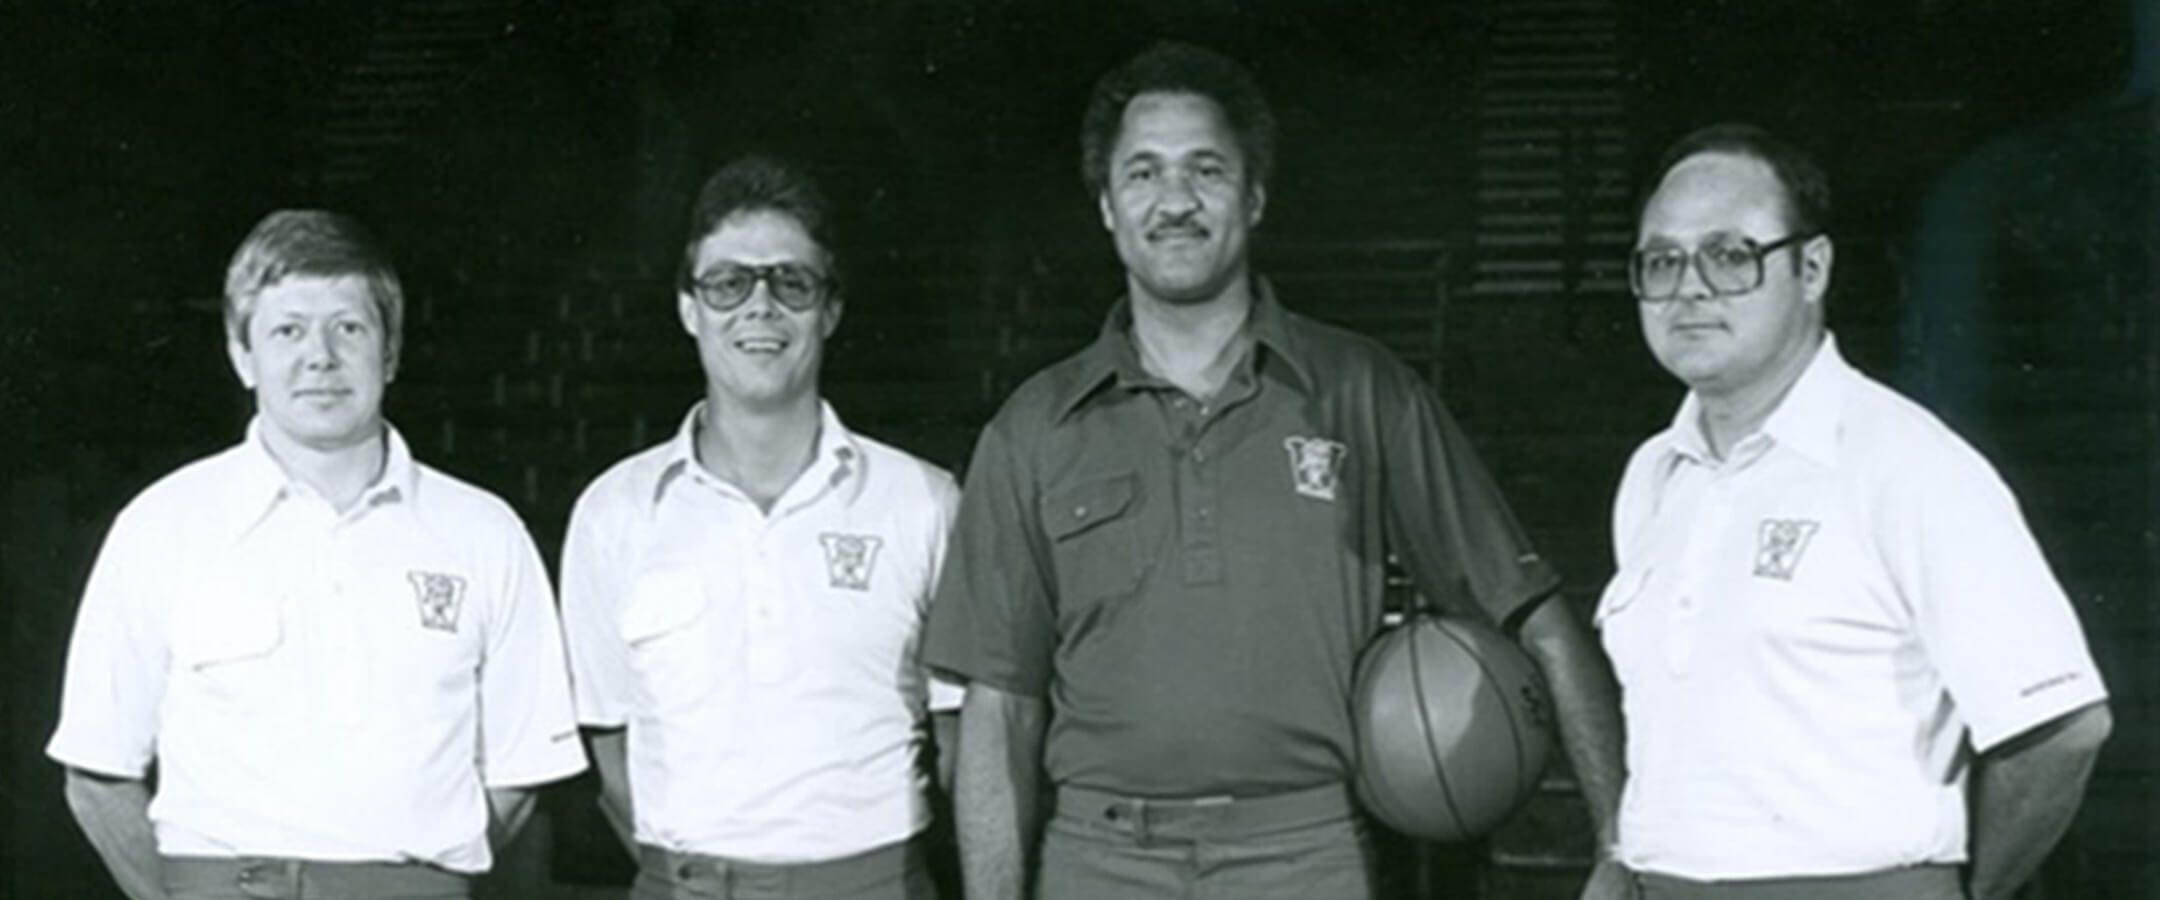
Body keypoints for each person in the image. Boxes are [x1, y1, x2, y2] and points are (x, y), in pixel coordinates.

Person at [922, 42, 1629, 900]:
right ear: (1107, 206)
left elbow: (1533, 614)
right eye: (1142, 173)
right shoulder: (1033, 427)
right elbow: (1001, 712)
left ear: (1253, 197)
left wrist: (1616, 846)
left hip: (1306, 854)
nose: (1175, 199)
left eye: (1206, 169)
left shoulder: (1364, 392)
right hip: (1097, 859)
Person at [1601, 123, 2113, 900]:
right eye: (1662, 261)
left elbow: (2062, 728)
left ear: (1812, 268)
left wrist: (1971, 895)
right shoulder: (1654, 475)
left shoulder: (1907, 465)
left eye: (1731, 255)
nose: (1690, 288)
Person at [47, 210, 588, 900]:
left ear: (390, 352)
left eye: (349, 328)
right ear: (243, 356)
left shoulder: (484, 533)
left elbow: (521, 768)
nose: (320, 357)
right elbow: (95, 775)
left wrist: (419, 880)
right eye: (288, 330)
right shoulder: (161, 526)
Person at [559, 155, 963, 900]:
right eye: (727, 283)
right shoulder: (613, 512)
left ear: (830, 309)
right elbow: (611, 751)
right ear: (689, 307)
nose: (759, 308)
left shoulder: (924, 502)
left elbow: (957, 745)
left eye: (791, 282)